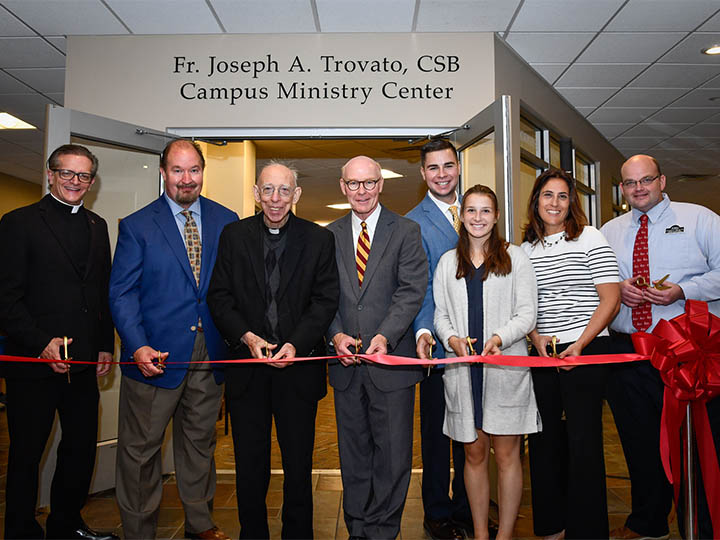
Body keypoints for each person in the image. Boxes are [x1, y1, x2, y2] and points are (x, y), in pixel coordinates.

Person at [109, 139, 238, 540]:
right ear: (163, 171)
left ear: (203, 171)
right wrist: (137, 345)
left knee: (199, 444)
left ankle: (200, 523)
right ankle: (139, 530)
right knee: (141, 450)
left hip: (209, 352)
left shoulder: (226, 219)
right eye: (178, 170)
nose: (187, 179)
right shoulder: (136, 225)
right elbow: (122, 293)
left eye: (194, 170)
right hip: (154, 354)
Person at [207, 161, 339, 539]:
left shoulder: (319, 239)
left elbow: (325, 300)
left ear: (296, 195)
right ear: (255, 193)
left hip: (298, 371)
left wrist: (296, 343)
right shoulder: (233, 236)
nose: (276, 199)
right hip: (247, 371)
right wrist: (246, 337)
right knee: (251, 465)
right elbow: (219, 297)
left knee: (298, 465)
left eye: (284, 190)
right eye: (268, 190)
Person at [0, 144, 117, 540]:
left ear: (92, 182)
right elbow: (6, 298)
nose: (75, 182)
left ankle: (66, 524)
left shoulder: (97, 226)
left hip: (81, 363)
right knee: (27, 454)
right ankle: (19, 529)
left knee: (80, 449)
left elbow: (100, 293)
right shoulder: (19, 222)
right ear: (50, 174)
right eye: (66, 173)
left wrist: (105, 345)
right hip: (32, 362)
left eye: (83, 176)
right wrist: (39, 343)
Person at [601, 154, 720, 540]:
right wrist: (619, 292)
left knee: (694, 445)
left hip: (685, 354)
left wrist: (683, 291)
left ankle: (700, 526)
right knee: (638, 444)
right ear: (622, 188)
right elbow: (597, 286)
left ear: (662, 180)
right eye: (631, 182)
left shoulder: (700, 218)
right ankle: (647, 522)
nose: (639, 188)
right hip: (627, 354)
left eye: (646, 180)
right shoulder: (608, 231)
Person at [327, 156, 428, 539]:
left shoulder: (406, 231)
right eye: (354, 184)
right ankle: (357, 528)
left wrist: (384, 335)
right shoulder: (330, 234)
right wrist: (335, 334)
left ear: (381, 184)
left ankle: (384, 530)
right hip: (345, 366)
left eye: (369, 183)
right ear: (343, 186)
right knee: (353, 458)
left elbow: (411, 291)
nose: (362, 191)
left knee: (393, 458)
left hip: (391, 364)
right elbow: (323, 296)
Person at [433, 184, 540, 540]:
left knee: (507, 457)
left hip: (504, 368)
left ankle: (505, 534)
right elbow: (440, 315)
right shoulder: (448, 262)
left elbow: (527, 314)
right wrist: (450, 339)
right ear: (462, 216)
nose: (478, 218)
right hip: (464, 374)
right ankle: (481, 533)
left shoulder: (517, 258)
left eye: (485, 211)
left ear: (496, 217)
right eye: (471, 211)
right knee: (474, 455)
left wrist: (498, 338)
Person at [521, 168, 620, 540]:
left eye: (563, 196)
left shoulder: (589, 237)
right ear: (536, 200)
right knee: (544, 440)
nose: (555, 203)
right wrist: (535, 335)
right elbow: (525, 304)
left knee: (583, 441)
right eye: (548, 195)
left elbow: (611, 299)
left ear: (571, 203)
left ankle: (588, 531)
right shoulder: (526, 249)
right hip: (544, 353)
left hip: (587, 348)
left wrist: (580, 343)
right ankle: (551, 526)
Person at [406, 139, 471, 540]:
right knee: (435, 436)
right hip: (436, 348)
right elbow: (419, 286)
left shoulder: (480, 209)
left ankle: (469, 509)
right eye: (433, 168)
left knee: (472, 436)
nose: (442, 174)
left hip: (478, 346)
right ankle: (437, 512)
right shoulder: (413, 221)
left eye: (448, 166)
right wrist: (426, 332)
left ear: (458, 167)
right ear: (423, 174)